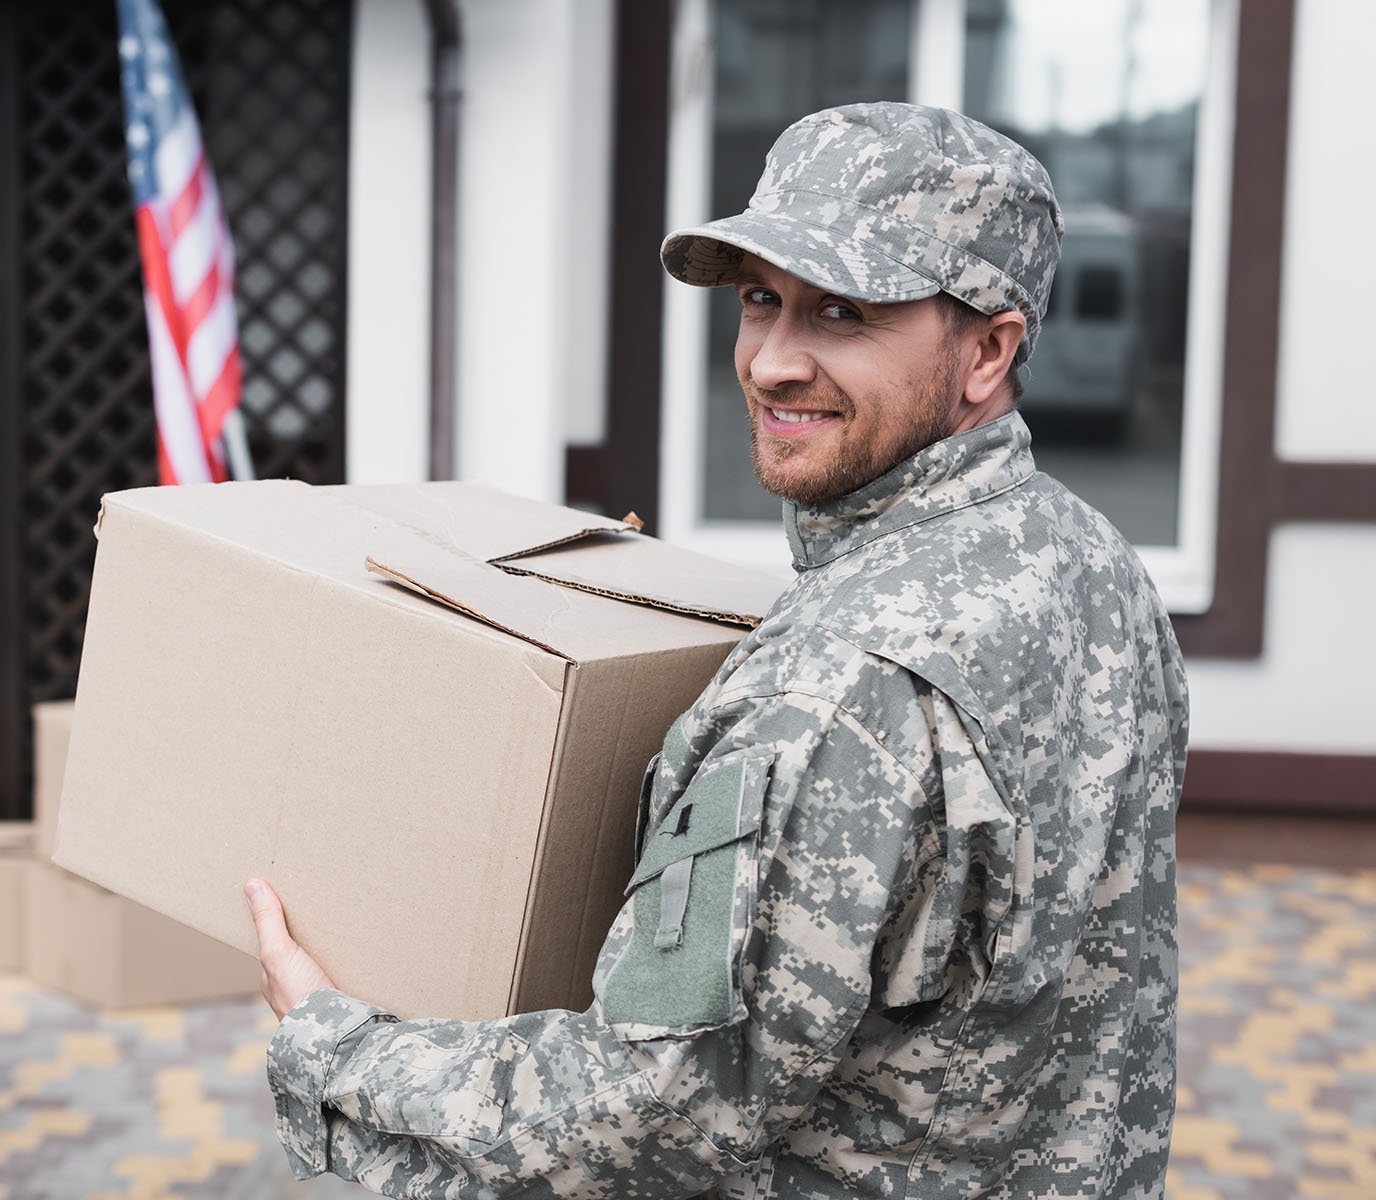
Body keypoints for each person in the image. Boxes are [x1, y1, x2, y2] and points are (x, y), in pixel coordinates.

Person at [244, 102, 1188, 1198]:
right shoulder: (1091, 562)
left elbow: (644, 1112)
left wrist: (336, 1045)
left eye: (842, 312)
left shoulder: (837, 685)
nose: (772, 362)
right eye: (758, 300)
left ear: (986, 350)